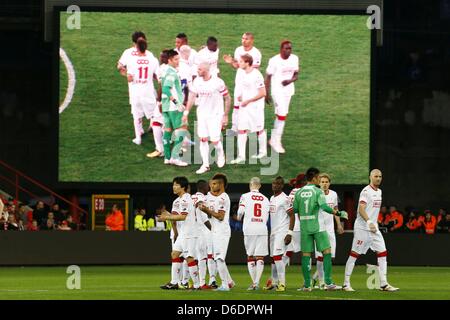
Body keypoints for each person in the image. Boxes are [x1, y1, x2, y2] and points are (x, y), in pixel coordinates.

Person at [343, 169, 399, 292]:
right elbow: (361, 209)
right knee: (354, 254)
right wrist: (369, 222)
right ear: (370, 177)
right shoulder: (366, 191)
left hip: (374, 228)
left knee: (383, 252)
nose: (378, 178)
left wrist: (374, 223)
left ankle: (383, 284)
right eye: (376, 176)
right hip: (363, 227)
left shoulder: (379, 191)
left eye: (380, 176)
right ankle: (346, 284)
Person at [293, 167, 345, 291]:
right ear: (315, 178)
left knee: (306, 255)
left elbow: (295, 209)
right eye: (319, 178)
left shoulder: (298, 192)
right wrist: (339, 214)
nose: (320, 180)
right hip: (318, 226)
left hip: (305, 227)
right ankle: (328, 282)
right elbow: (325, 207)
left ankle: (306, 285)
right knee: (327, 252)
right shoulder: (318, 192)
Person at [183, 62, 231, 174]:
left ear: (206, 70)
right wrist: (186, 113)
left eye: (199, 69)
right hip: (202, 115)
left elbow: (228, 98)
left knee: (214, 140)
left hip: (215, 115)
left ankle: (220, 154)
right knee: (203, 139)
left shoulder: (218, 82)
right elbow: (191, 98)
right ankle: (205, 165)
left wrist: (225, 115)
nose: (197, 71)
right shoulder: (197, 81)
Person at [158, 177, 201, 290]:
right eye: (173, 184)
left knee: (189, 258)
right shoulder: (177, 200)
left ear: (183, 187)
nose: (174, 187)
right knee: (175, 254)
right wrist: (166, 215)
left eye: (176, 185)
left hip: (190, 233)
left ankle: (197, 285)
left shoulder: (187, 199)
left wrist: (166, 217)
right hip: (183, 233)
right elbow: (175, 216)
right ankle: (174, 282)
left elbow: (182, 216)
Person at [198, 173, 234, 291]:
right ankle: (228, 282)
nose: (211, 186)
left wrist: (207, 209)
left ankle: (225, 285)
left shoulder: (224, 197)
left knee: (219, 258)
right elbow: (211, 215)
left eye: (214, 184)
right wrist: (205, 210)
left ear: (221, 184)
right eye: (211, 184)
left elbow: (220, 216)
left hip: (222, 231)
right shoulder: (215, 198)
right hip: (215, 231)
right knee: (216, 257)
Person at [230, 54, 267, 164]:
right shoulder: (243, 73)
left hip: (255, 108)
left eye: (241, 62)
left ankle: (262, 151)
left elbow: (263, 93)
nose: (239, 63)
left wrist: (248, 100)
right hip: (244, 107)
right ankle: (241, 156)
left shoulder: (257, 75)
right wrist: (242, 97)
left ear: (247, 63)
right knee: (242, 129)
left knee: (259, 130)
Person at [223, 32, 262, 135]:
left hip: (250, 84)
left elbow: (254, 68)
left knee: (248, 105)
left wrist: (237, 64)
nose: (243, 40)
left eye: (246, 39)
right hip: (239, 81)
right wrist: (231, 62)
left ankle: (251, 127)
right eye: (242, 38)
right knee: (236, 105)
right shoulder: (238, 50)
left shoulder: (256, 53)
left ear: (252, 40)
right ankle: (235, 128)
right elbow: (237, 65)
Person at [236, 177, 270, 291]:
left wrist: (239, 219)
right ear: (259, 186)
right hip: (262, 228)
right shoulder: (266, 199)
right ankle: (256, 282)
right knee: (260, 256)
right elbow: (267, 216)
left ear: (250, 185)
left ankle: (254, 283)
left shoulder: (245, 196)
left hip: (250, 228)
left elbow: (240, 211)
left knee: (250, 256)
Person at [265, 40, 299, 154]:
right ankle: (276, 142)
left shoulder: (294, 58)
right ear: (281, 49)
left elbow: (296, 75)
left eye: (290, 48)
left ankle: (273, 140)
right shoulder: (274, 60)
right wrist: (266, 92)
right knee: (282, 115)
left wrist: (289, 81)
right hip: (277, 91)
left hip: (288, 91)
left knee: (281, 115)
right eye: (286, 48)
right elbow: (268, 77)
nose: (288, 50)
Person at [125, 38, 160, 146]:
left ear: (136, 48)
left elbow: (129, 78)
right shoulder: (153, 60)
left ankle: (138, 138)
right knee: (155, 115)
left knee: (136, 115)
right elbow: (158, 77)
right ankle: (158, 139)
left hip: (136, 92)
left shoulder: (132, 61)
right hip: (148, 91)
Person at [312, 173, 344, 290]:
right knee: (321, 257)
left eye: (326, 182)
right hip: (319, 229)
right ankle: (322, 282)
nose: (324, 184)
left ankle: (317, 278)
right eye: (322, 182)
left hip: (330, 230)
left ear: (329, 183)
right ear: (319, 183)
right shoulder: (315, 194)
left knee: (330, 257)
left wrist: (339, 224)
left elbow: (335, 209)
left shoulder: (333, 194)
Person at [263, 176, 295, 292]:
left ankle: (282, 283)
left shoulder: (285, 199)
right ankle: (274, 282)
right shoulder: (272, 198)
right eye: (273, 183)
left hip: (282, 231)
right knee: (273, 258)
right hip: (274, 232)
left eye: (277, 184)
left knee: (277, 256)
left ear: (282, 186)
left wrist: (289, 233)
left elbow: (292, 216)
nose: (274, 185)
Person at [161, 49, 189, 167]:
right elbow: (166, 89)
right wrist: (177, 102)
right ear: (170, 60)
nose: (178, 61)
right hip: (173, 107)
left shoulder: (165, 71)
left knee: (167, 131)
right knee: (182, 129)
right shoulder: (172, 73)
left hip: (166, 106)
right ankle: (175, 157)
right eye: (176, 59)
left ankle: (167, 157)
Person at [191, 179, 214, 289]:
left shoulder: (191, 198)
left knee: (191, 258)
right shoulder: (202, 199)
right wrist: (214, 231)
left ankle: (188, 282)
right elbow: (204, 219)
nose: (208, 188)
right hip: (200, 231)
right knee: (202, 258)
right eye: (207, 186)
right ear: (203, 187)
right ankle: (202, 283)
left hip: (190, 232)